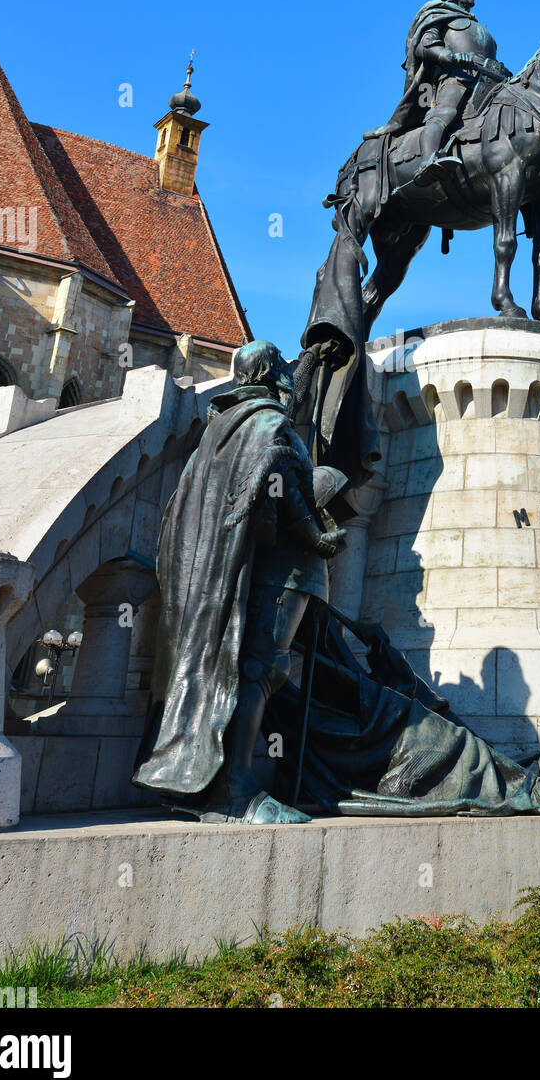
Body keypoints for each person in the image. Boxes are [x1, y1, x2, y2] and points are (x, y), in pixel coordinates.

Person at [133, 339, 346, 823]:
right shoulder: (269, 426)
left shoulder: (220, 429)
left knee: (236, 668)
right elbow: (285, 499)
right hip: (278, 572)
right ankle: (235, 792)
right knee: (261, 669)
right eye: (285, 371)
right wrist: (324, 537)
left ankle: (196, 785)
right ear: (273, 374)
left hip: (226, 573)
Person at [366, 0, 510, 185]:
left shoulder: (478, 26)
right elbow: (425, 45)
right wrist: (449, 55)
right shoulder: (439, 14)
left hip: (489, 79)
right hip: (457, 76)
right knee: (445, 112)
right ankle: (428, 161)